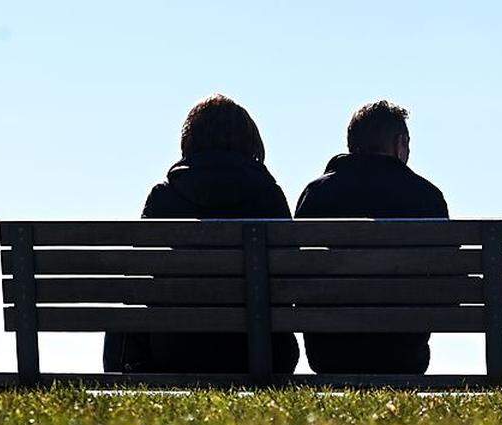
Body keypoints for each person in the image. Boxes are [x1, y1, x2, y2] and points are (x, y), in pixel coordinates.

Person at [103, 94, 300, 374]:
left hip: (173, 352)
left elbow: (141, 283)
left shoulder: (165, 197)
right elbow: (293, 281)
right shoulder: (269, 197)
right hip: (261, 353)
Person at [294, 100, 448, 374]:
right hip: (403, 353)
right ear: (400, 143)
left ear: (351, 144)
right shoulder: (427, 197)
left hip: (329, 352)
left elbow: (294, 276)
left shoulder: (317, 194)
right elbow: (446, 288)